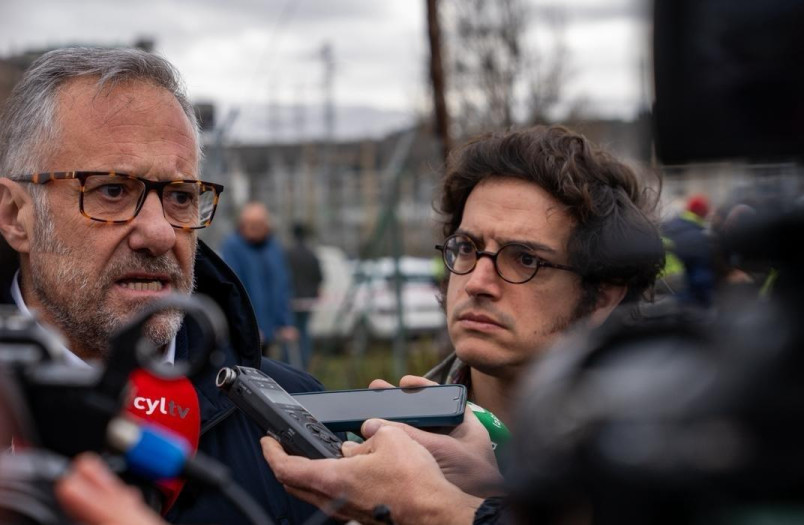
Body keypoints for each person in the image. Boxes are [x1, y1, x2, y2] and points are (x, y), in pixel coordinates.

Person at [0, 47, 324, 524]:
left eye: (181, 196)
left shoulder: (295, 417)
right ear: (17, 216)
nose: (160, 233)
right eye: (112, 190)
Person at [264, 126, 665, 523]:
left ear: (604, 295)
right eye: (467, 248)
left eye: (525, 259)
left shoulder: (669, 453)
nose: (476, 282)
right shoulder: (384, 446)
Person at [220, 202, 299, 354]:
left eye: (258, 224)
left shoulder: (274, 248)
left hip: (269, 328)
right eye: (249, 224)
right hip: (246, 329)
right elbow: (234, 288)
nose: (254, 228)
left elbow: (282, 286)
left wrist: (285, 322)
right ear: (242, 224)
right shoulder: (232, 247)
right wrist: (248, 325)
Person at [661, 193, 716, 309]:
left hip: (660, 287)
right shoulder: (698, 234)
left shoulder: (669, 225)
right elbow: (701, 276)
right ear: (703, 213)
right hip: (685, 296)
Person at [284, 222, 324, 369]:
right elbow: (319, 277)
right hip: (307, 300)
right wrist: (313, 292)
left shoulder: (288, 254)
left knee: (289, 334)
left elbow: (282, 277)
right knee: (304, 332)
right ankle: (305, 362)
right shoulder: (311, 254)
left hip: (290, 300)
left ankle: (289, 365)